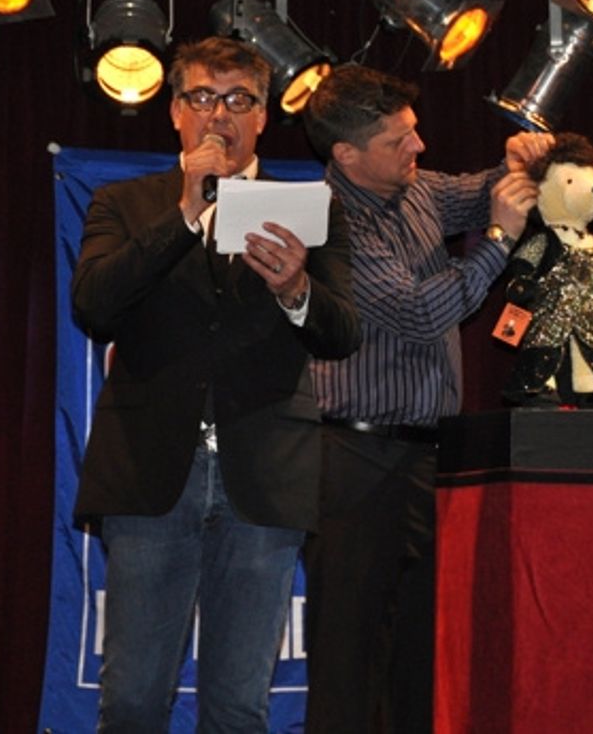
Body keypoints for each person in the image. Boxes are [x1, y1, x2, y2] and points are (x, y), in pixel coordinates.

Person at [70, 36, 360, 733]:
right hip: (150, 470)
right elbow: (93, 307)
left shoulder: (310, 209)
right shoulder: (126, 203)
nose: (218, 115)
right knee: (134, 698)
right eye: (201, 97)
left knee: (237, 706)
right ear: (174, 111)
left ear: (263, 117)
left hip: (263, 473)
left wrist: (295, 288)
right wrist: (184, 216)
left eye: (238, 101)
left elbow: (342, 332)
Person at [300, 63, 553, 733]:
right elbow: (419, 313)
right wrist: (498, 241)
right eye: (399, 141)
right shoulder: (332, 221)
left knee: (420, 655)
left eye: (415, 132)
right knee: (348, 658)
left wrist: (519, 161)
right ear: (347, 154)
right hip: (354, 459)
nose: (419, 148)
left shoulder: (418, 191)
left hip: (425, 460)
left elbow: (478, 192)